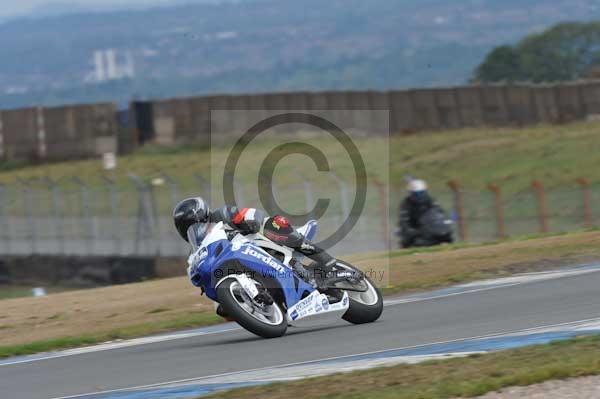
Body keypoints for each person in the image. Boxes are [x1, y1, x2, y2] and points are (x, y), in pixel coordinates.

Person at [173, 197, 337, 288]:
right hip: (239, 267)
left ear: (204, 216)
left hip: (260, 244)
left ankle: (324, 258)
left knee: (271, 224)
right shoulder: (196, 253)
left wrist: (251, 221)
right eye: (187, 227)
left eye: (196, 223)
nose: (194, 228)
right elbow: (197, 276)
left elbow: (251, 213)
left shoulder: (221, 215)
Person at [398, 179, 444, 248]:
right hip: (415, 229)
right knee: (409, 239)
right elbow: (403, 219)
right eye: (416, 193)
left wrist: (442, 222)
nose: (419, 195)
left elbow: (439, 211)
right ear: (411, 193)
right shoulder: (406, 203)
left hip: (430, 227)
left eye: (421, 193)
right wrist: (410, 230)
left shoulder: (430, 200)